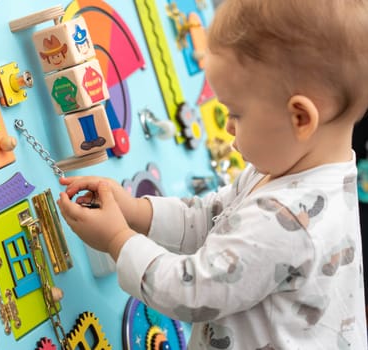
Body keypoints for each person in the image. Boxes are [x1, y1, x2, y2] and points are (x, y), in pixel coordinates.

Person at [57, 0, 368, 348]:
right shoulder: (297, 173)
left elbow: (190, 292)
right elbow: (212, 220)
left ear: (300, 118)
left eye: (235, 113)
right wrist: (134, 211)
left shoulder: (289, 218)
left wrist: (116, 239)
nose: (228, 127)